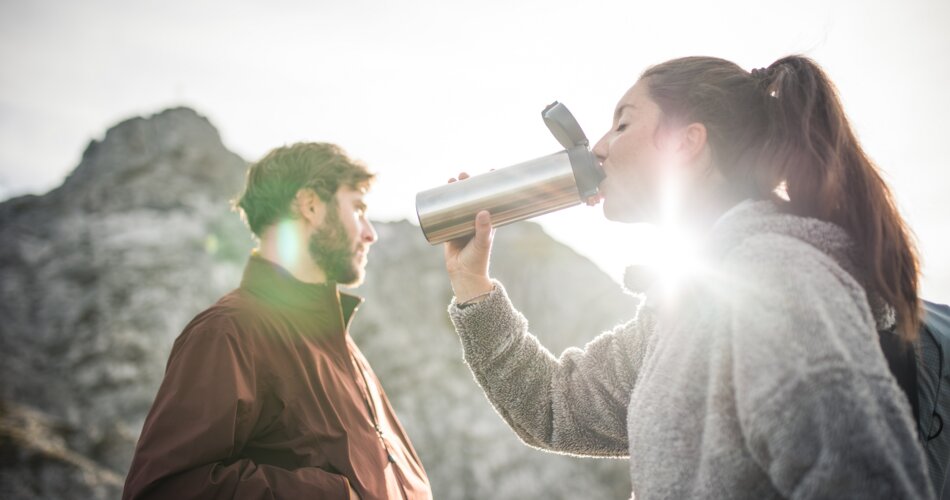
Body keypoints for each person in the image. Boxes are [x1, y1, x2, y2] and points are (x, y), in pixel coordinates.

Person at [442, 56, 934, 499]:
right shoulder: (677, 315)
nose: (598, 148)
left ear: (687, 142)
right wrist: (472, 287)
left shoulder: (775, 280)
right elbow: (553, 408)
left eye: (622, 123)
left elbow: (862, 480)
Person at [123, 143, 431, 499]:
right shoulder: (229, 332)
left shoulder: (339, 342)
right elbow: (161, 491)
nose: (369, 232)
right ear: (311, 205)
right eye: (357, 209)